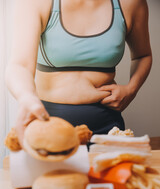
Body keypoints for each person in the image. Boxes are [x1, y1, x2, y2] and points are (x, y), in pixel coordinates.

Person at [6, 0, 152, 148]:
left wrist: (131, 89)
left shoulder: (131, 3)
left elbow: (143, 55)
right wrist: (27, 98)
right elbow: (20, 65)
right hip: (48, 125)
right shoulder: (36, 2)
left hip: (107, 126)